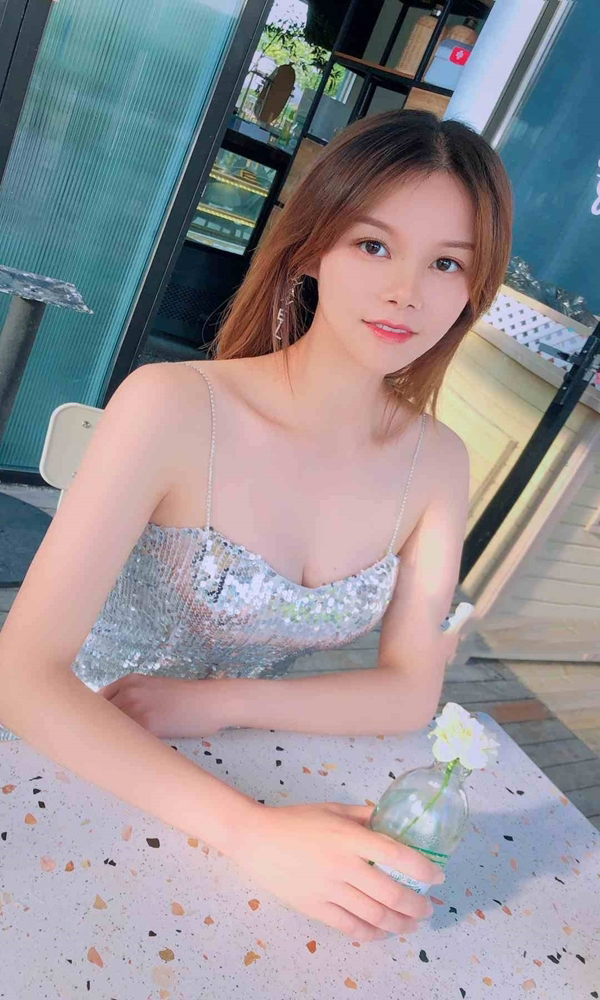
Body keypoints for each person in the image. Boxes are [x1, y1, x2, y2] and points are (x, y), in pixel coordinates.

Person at [0, 109, 512, 943]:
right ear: (310, 249)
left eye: (447, 262)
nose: (407, 292)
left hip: (249, 770)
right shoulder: (172, 407)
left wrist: (219, 703)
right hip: (76, 749)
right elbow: (21, 675)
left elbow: (411, 689)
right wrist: (250, 833)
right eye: (373, 245)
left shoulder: (439, 462)